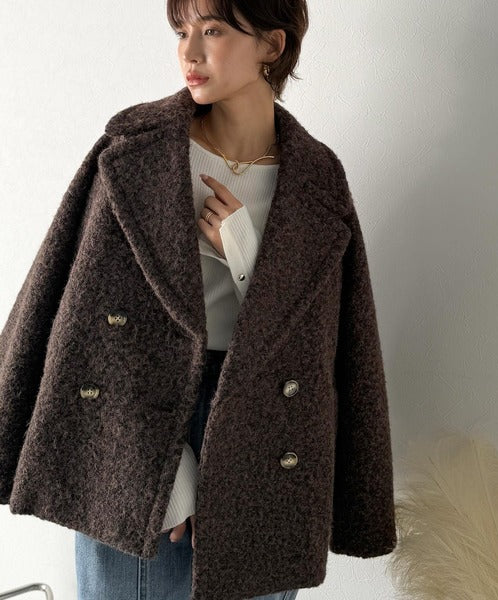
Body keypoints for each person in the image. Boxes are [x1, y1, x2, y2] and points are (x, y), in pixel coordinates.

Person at [75, 0, 306, 597]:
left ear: (272, 45)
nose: (189, 51)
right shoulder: (139, 153)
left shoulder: (314, 179)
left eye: (214, 30)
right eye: (182, 30)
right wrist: (159, 466)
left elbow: (310, 348)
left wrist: (245, 252)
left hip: (262, 436)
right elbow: (95, 334)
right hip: (140, 424)